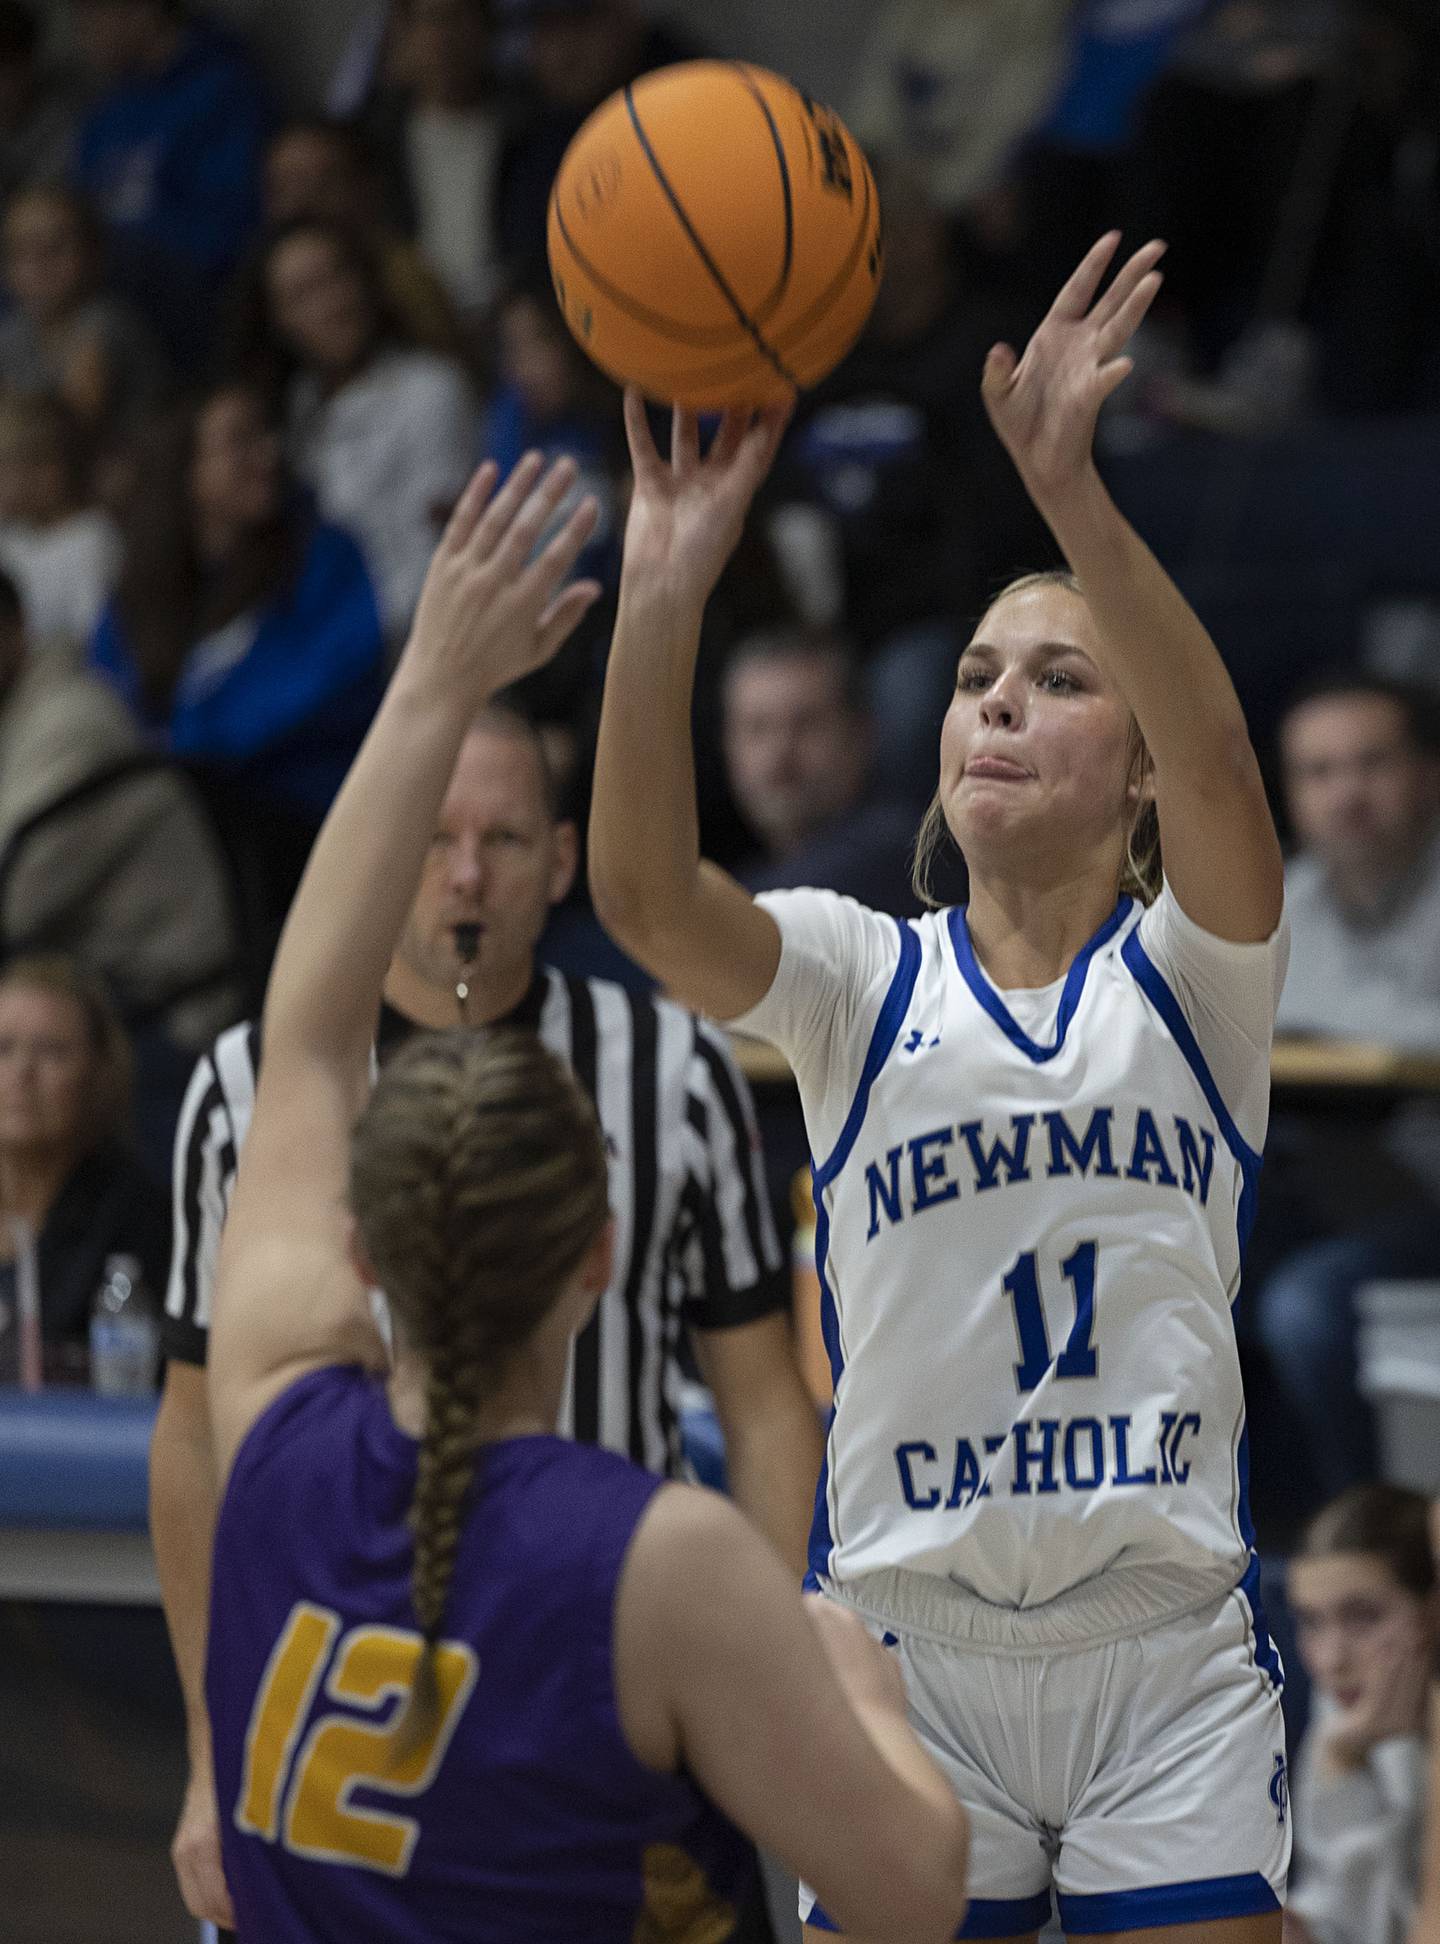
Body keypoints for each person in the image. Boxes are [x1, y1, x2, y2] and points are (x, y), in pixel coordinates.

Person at [589, 232, 1293, 1939]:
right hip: (911, 1647)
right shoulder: (855, 970)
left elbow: (1217, 750)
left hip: (1165, 1645)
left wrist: (1070, 499)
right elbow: (639, 898)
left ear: (1131, 778)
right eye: (977, 676)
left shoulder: (1196, 971)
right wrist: (670, 582)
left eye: (1058, 681)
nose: (997, 703)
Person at [199, 448, 972, 1942]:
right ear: (600, 1257)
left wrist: (433, 677)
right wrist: (862, 1694)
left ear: (361, 1248)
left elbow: (304, 1032)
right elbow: (916, 1895)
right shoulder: (656, 1557)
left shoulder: (274, 1425)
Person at [153, 670, 824, 1929]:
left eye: (504, 841)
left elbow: (768, 1406)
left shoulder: (675, 1068)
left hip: (606, 1645)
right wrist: (205, 1756)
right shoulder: (245, 1092)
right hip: (343, 1657)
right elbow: (190, 1442)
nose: (465, 879)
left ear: (562, 860)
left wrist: (780, 1671)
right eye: (433, 842)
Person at [89, 380, 388, 944]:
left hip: (309, 817)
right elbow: (108, 700)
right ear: (188, 471)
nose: (268, 452)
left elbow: (329, 681)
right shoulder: (139, 591)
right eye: (238, 442)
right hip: (183, 825)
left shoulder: (323, 554)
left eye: (267, 434)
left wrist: (186, 746)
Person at [1249, 670, 1440, 1506]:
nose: (1346, 794)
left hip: (1428, 1199)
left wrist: (1316, 1031)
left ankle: (1371, 1546)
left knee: (1305, 1307)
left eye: (1372, 764)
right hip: (1322, 1184)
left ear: (1428, 774)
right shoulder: (1278, 904)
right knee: (1162, 1260)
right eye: (1319, 773)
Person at [0, 567, 244, 1067]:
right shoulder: (19, 715)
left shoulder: (70, 723)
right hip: (96, 1000)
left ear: (15, 628)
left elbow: (13, 902)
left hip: (169, 1018)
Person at [231, 216, 478, 638]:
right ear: (278, 319)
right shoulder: (291, 412)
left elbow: (435, 556)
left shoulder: (428, 388)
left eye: (335, 277)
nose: (329, 305)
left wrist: (345, 644)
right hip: (325, 641)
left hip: (414, 638)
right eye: (302, 294)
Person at [67, 0, 271, 362]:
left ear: (141, 11)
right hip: (112, 304)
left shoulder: (225, 89)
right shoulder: (106, 115)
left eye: (90, 17)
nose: (81, 36)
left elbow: (231, 226)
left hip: (200, 301)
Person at [0, 952, 167, 1381]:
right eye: (3, 1048)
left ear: (98, 1075)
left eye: (52, 1052)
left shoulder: (138, 1217)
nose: (21, 1071)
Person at [1285, 1484, 1436, 1944]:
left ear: (1433, 1610)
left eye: (1364, 1617)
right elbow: (1347, 1925)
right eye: (1311, 1621)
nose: (1331, 1659)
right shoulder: (1345, 1710)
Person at [722, 625, 940, 917]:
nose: (780, 753)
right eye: (757, 729)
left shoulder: (902, 853)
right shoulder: (757, 873)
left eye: (806, 724)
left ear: (861, 734)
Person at [261, 116, 463, 358]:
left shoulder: (404, 278)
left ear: (365, 186)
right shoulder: (260, 286)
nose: (305, 200)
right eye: (287, 185)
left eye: (324, 181)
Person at [0, 182, 169, 443]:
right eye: (22, 251)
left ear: (94, 254)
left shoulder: (107, 322)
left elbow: (71, 427)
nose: (39, 264)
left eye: (55, 247)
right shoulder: (13, 333)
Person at [0, 392, 120, 655]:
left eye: (6, 466)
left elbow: (92, 642)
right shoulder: (9, 539)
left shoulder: (91, 538)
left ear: (50, 470)